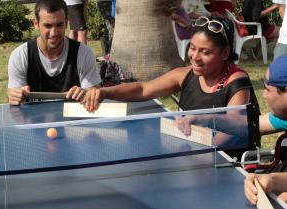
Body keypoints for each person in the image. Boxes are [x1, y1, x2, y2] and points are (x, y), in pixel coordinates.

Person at [83, 16, 259, 151]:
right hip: (191, 151)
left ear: (225, 53)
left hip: (226, 160)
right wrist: (104, 92)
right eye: (192, 47)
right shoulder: (185, 74)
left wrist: (191, 156)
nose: (195, 57)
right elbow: (143, 89)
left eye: (205, 52)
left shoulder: (236, 81)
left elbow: (232, 130)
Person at [7, 0, 101, 106]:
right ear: (36, 24)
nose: (54, 33)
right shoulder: (20, 55)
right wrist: (15, 96)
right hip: (33, 121)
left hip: (74, 122)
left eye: (59, 25)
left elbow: (94, 96)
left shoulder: (83, 53)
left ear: (66, 23)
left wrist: (86, 93)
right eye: (48, 25)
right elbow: (14, 102)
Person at [244, 54, 287, 205]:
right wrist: (207, 120)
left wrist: (281, 195)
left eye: (268, 89)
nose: (264, 95)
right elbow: (249, 125)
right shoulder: (284, 118)